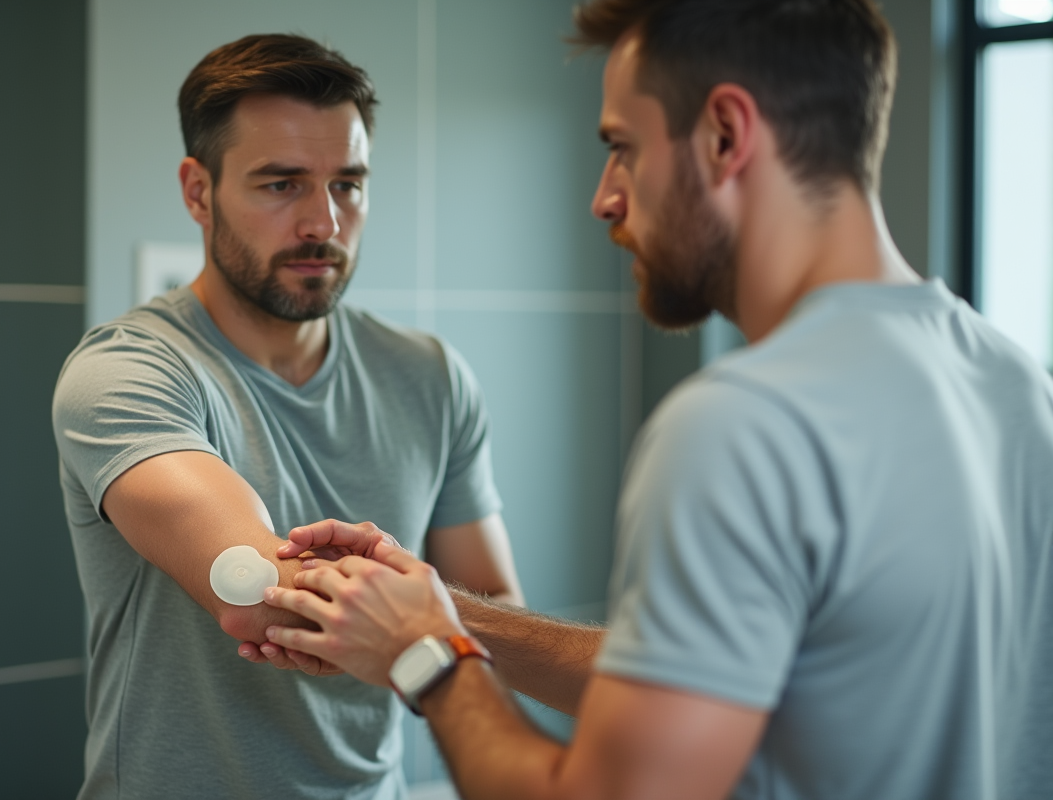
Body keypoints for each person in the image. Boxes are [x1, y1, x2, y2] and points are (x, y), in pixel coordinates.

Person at [252, 2, 1053, 799]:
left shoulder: (743, 425)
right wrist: (442, 611)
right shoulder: (1017, 388)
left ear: (725, 136)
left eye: (622, 150)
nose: (605, 199)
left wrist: (426, 657)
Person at [51, 34, 523, 800]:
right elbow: (259, 600)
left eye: (348, 185)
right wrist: (428, 619)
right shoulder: (125, 373)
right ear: (198, 191)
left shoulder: (431, 377)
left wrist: (435, 622)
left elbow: (496, 610)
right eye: (282, 185)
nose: (325, 225)